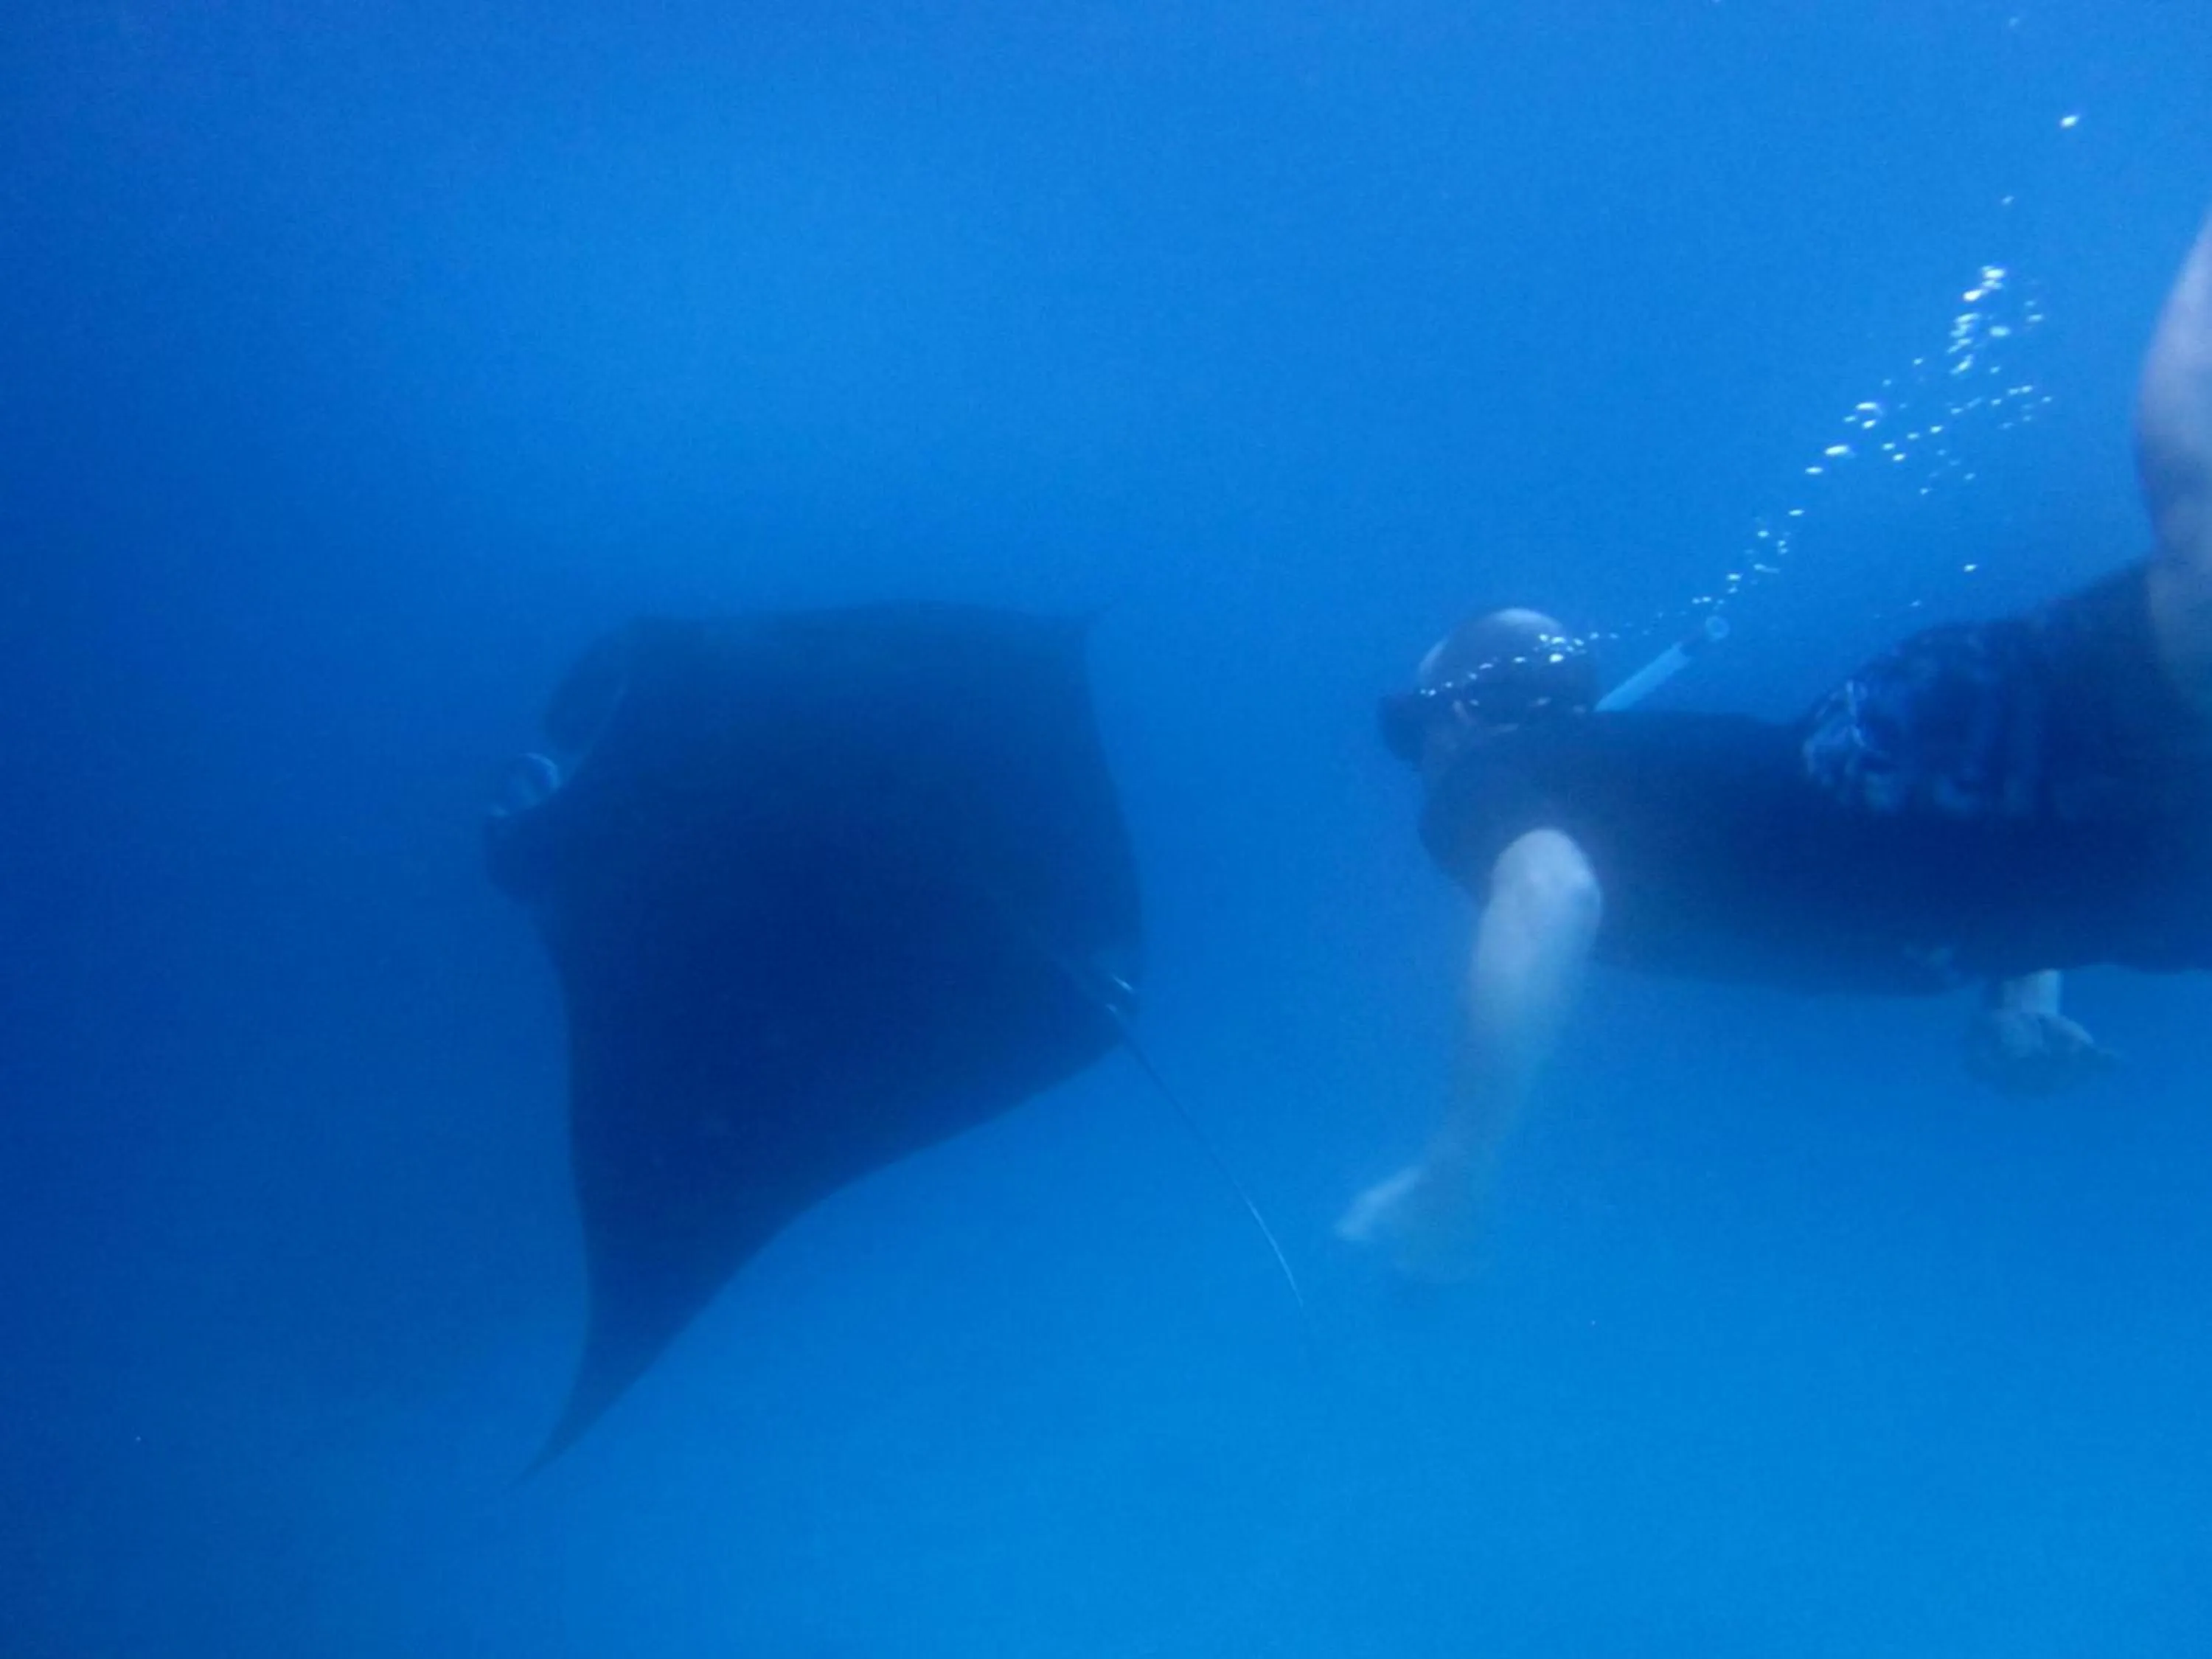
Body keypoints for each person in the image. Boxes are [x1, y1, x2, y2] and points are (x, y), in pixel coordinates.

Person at [1340, 208, 2212, 1283]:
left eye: (1409, 728)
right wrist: (2024, 1002)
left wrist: (1458, 1162)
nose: (1419, 758)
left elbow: (1551, 896)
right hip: (2009, 874)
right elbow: (1982, 845)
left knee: (2195, 520)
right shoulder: (1588, 775)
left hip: (1897, 775)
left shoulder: (1486, 783)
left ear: (1460, 712)